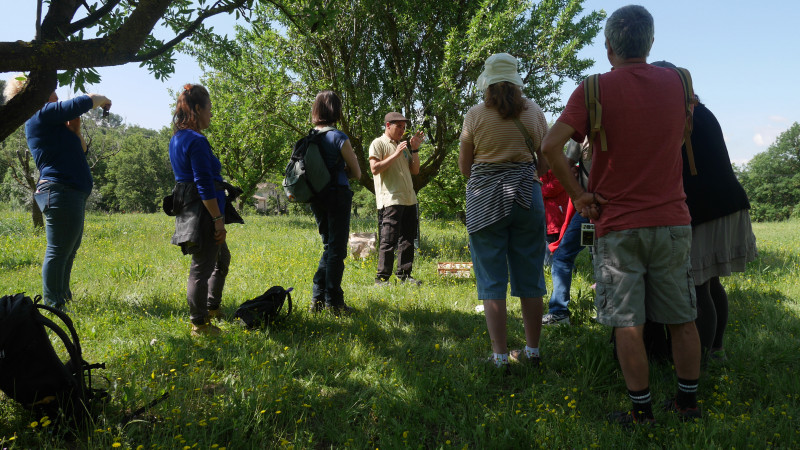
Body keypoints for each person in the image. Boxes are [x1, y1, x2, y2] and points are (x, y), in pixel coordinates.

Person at [542, 6, 702, 425]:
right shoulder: (679, 82)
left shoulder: (593, 89)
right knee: (683, 318)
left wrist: (580, 195)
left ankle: (642, 412)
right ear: (650, 43)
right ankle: (687, 405)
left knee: (626, 323)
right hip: (672, 220)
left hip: (617, 225)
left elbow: (549, 147)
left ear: (609, 46)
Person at [651, 61, 758, 362]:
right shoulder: (702, 111)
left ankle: (697, 363)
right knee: (710, 282)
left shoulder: (680, 116)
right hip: (728, 203)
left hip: (706, 208)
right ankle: (716, 350)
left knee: (697, 286)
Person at [458, 52, 549, 370]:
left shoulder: (475, 115)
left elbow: (464, 167)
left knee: (491, 277)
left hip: (485, 198)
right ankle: (533, 351)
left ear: (488, 82)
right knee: (530, 274)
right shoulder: (534, 112)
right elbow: (546, 158)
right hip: (527, 196)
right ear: (516, 80)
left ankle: (499, 355)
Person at [5, 76, 111, 311]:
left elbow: (81, 149)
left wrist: (75, 129)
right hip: (60, 190)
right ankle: (54, 305)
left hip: (69, 191)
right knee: (58, 250)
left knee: (68, 249)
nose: (56, 92)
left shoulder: (52, 122)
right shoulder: (40, 113)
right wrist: (104, 100)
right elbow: (85, 101)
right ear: (34, 93)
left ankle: (62, 298)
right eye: (50, 89)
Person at [168, 84, 230, 337]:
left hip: (192, 207)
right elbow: (203, 183)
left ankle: (212, 307)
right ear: (196, 109)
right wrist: (217, 219)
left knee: (221, 258)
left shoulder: (178, 138)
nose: (211, 115)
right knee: (201, 269)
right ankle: (200, 324)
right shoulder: (196, 140)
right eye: (209, 109)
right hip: (203, 212)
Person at [306, 91, 361, 316]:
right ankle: (334, 303)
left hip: (316, 197)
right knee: (337, 250)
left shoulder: (311, 136)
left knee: (329, 247)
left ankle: (317, 300)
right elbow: (357, 172)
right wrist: (343, 169)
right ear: (336, 110)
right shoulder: (338, 137)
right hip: (337, 196)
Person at [369, 112, 424, 285]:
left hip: (409, 199)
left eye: (403, 127)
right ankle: (382, 278)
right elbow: (375, 169)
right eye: (398, 126)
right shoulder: (378, 143)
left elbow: (415, 170)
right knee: (388, 240)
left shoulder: (404, 146)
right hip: (391, 199)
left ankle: (404, 275)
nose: (402, 130)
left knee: (408, 239)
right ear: (388, 125)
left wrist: (414, 149)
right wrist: (395, 154)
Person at [542, 139, 591, 326]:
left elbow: (562, 165)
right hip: (604, 205)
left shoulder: (582, 136)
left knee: (562, 256)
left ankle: (559, 312)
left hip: (590, 205)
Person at [539, 169, 568, 266]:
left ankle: (559, 265)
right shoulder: (542, 168)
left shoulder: (558, 167)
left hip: (557, 214)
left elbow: (552, 188)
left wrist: (538, 189)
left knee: (557, 240)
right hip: (547, 214)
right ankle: (551, 265)